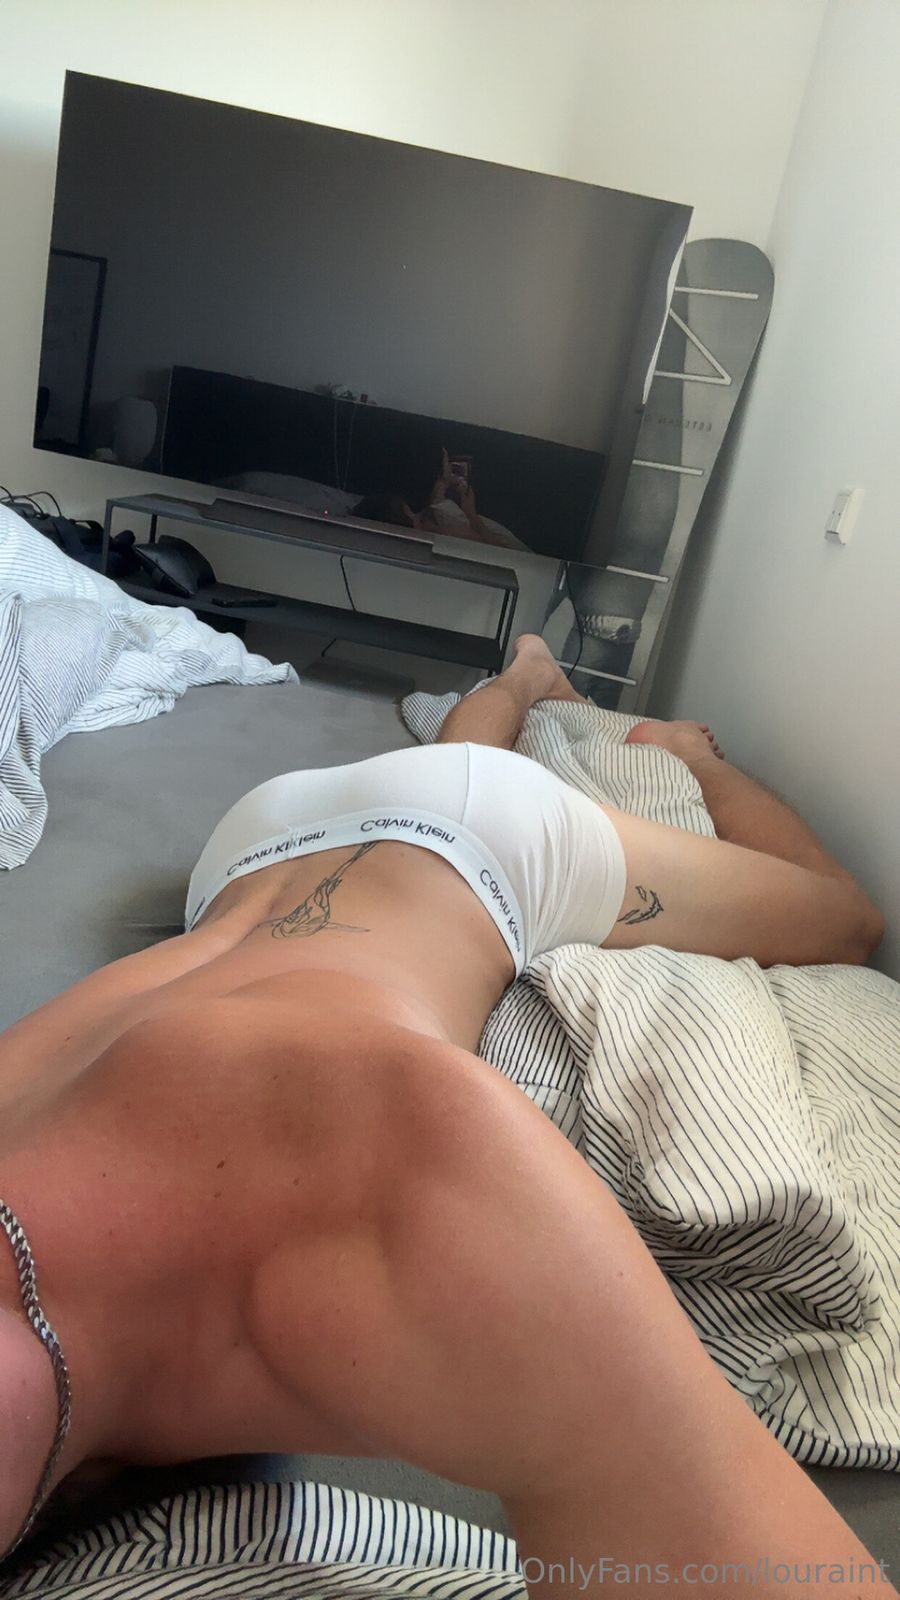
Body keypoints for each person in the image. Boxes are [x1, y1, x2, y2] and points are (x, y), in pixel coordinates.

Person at [0, 636, 888, 1595]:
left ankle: (611, 718)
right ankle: (535, 679)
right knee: (474, 770)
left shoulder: (397, 1173)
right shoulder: (405, 1192)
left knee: (848, 919)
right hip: (268, 844)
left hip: (437, 834)